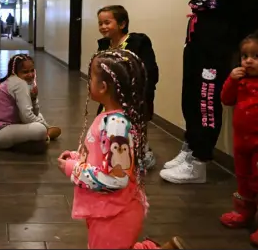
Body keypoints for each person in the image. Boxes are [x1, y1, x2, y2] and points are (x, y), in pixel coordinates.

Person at [160, 0, 258, 184]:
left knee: (206, 101)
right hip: (197, 44)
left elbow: (253, 9)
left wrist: (230, 39)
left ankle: (200, 161)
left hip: (215, 50)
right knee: (190, 98)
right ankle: (191, 146)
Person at [57, 49, 185, 249]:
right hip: (107, 209)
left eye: (90, 77)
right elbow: (105, 158)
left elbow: (116, 178)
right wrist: (77, 157)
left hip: (115, 214)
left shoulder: (116, 125)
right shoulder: (110, 118)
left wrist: (73, 168)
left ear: (103, 87)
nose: (88, 82)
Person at [218, 31, 258, 248]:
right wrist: (231, 80)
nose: (248, 61)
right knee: (243, 177)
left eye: (257, 56)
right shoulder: (241, 82)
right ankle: (243, 213)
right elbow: (226, 99)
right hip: (242, 142)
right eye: (245, 56)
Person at [97, 5, 159, 171]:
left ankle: (143, 152)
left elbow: (149, 71)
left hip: (134, 95)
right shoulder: (104, 45)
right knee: (109, 126)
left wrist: (140, 94)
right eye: (100, 23)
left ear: (122, 24)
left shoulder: (138, 43)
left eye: (107, 22)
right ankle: (113, 151)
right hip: (111, 95)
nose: (103, 27)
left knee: (134, 126)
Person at [0, 53, 62, 154]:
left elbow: (33, 113)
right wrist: (45, 127)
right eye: (25, 72)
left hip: (8, 127)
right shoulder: (20, 84)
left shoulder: (15, 81)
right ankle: (45, 134)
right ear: (15, 72)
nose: (30, 75)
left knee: (39, 116)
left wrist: (34, 99)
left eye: (32, 70)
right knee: (40, 129)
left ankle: (33, 140)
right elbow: (26, 117)